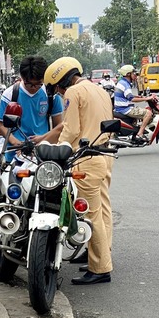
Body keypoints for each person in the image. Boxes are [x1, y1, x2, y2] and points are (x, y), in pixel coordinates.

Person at [44, 57, 114, 285]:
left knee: (91, 215)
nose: (59, 92)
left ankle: (101, 267)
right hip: (105, 155)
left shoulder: (73, 93)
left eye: (57, 88)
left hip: (86, 158)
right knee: (103, 210)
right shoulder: (99, 89)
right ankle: (101, 254)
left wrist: (56, 151)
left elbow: (71, 129)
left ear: (62, 81)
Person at [0, 56, 63, 160]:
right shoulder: (10, 95)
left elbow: (59, 126)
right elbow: (2, 126)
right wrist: (18, 144)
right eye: (30, 84)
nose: (34, 88)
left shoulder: (51, 95)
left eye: (38, 84)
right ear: (22, 78)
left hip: (42, 154)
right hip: (15, 154)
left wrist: (43, 141)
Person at [113, 65, 155, 143]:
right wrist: (146, 98)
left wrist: (141, 96)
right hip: (125, 109)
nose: (135, 75)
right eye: (133, 73)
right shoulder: (125, 84)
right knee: (148, 113)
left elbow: (128, 96)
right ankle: (140, 133)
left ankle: (136, 132)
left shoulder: (122, 82)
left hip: (121, 108)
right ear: (128, 74)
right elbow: (132, 99)